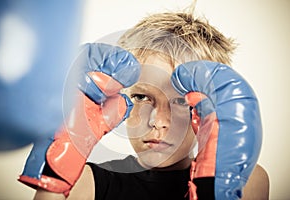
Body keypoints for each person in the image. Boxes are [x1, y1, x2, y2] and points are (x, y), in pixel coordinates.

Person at [19, 6, 269, 200]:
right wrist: (55, 173)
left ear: (208, 110)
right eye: (141, 97)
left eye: (181, 101)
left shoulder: (247, 180)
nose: (156, 122)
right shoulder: (86, 182)